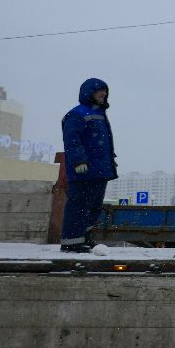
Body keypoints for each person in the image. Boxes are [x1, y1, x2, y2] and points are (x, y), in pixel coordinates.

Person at [60, 78, 118, 253]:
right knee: (79, 206)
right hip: (83, 171)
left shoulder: (99, 114)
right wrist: (78, 161)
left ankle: (82, 237)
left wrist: (109, 160)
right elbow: (72, 140)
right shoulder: (77, 114)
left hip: (100, 170)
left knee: (93, 208)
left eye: (105, 91)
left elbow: (102, 145)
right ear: (89, 93)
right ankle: (71, 242)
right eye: (100, 91)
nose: (104, 94)